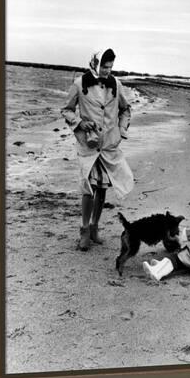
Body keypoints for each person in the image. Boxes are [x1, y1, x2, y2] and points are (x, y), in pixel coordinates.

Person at [61, 49, 134, 251]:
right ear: (95, 63)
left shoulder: (116, 85)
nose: (107, 71)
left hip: (109, 145)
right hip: (89, 145)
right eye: (104, 66)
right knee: (88, 188)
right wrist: (79, 123)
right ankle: (84, 231)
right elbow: (66, 110)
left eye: (110, 67)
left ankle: (95, 228)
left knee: (102, 189)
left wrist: (121, 130)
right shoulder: (79, 84)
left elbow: (126, 110)